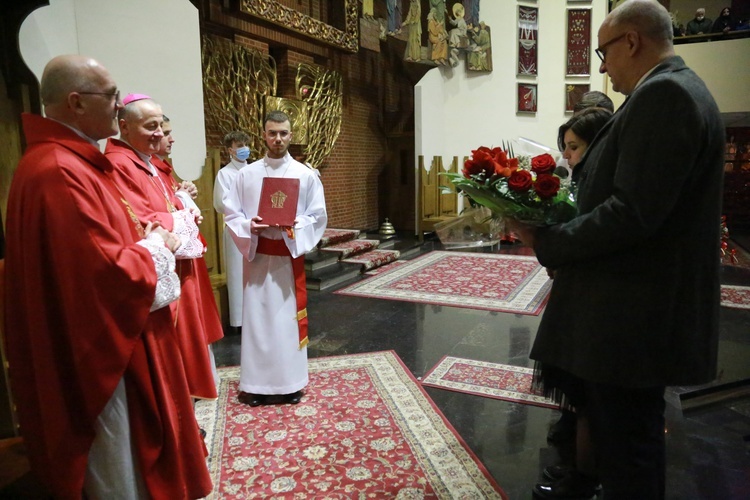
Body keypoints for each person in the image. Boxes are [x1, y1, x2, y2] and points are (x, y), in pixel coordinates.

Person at [510, 1, 724, 498]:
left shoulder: (666, 93)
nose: (603, 66)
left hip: (635, 315)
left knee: (631, 448)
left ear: (632, 41)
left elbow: (633, 212)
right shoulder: (672, 89)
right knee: (626, 437)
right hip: (640, 309)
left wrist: (548, 240)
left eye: (605, 52)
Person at [4, 55, 211, 498]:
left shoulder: (66, 160)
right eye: (112, 96)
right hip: (99, 347)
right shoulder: (60, 170)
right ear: (75, 103)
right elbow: (104, 273)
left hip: (100, 331)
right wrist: (158, 247)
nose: (119, 107)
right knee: (121, 463)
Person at [106, 94, 222, 401]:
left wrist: (180, 198)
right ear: (124, 127)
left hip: (178, 263)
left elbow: (162, 203)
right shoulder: (121, 165)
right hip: (159, 271)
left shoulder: (148, 163)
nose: (159, 132)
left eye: (161, 125)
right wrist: (179, 216)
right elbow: (137, 219)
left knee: (188, 347)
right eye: (151, 126)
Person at [533, 107, 614, 500]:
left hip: (598, 306)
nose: (567, 157)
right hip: (578, 296)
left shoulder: (604, 184)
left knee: (591, 403)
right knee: (581, 403)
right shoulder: (583, 181)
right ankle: (579, 471)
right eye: (563, 148)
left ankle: (586, 479)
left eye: (574, 147)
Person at [223, 110, 327, 407]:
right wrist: (248, 226)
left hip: (286, 259)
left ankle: (290, 383)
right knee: (257, 322)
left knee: (285, 323)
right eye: (272, 133)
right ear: (263, 135)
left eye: (283, 133)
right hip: (257, 260)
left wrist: (295, 225)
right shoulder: (246, 175)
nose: (277, 139)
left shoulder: (305, 175)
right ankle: (255, 385)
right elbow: (232, 215)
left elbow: (317, 216)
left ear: (290, 135)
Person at [213, 130, 252, 331]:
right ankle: (238, 322)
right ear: (230, 150)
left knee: (255, 275)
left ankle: (255, 319)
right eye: (239, 146)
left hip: (255, 228)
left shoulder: (255, 170)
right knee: (237, 274)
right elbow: (221, 203)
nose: (244, 149)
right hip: (236, 229)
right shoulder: (225, 173)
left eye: (246, 144)